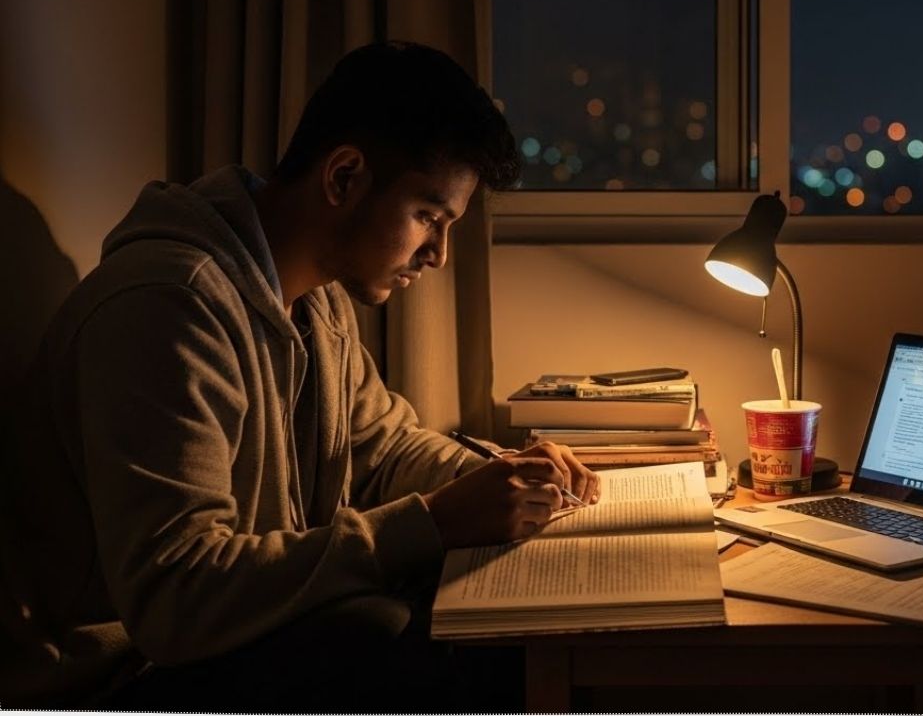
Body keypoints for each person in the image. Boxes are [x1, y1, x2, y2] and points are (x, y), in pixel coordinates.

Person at [0, 41, 596, 710]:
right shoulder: (168, 308)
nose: (438, 254)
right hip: (111, 673)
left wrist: (498, 480)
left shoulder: (317, 300)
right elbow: (175, 598)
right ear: (344, 177)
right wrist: (431, 522)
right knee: (391, 632)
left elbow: (383, 448)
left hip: (206, 643)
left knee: (472, 617)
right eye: (428, 217)